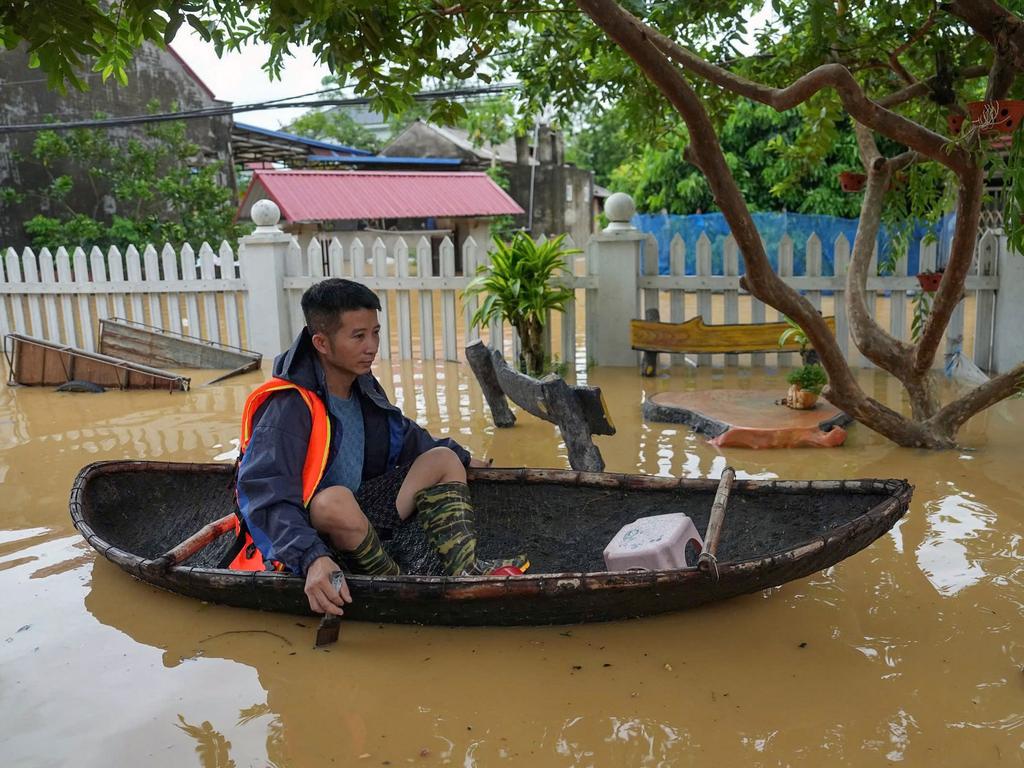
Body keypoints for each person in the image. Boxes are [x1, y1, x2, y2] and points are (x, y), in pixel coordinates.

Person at [225, 278, 527, 616]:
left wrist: (465, 457)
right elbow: (263, 493)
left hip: (363, 515)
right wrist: (311, 558)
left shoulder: (362, 384)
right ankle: (394, 580)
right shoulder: (288, 407)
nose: (371, 346)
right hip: (314, 533)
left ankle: (465, 569)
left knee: (442, 459)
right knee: (333, 500)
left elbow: (401, 433)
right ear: (322, 343)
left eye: (376, 333)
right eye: (358, 336)